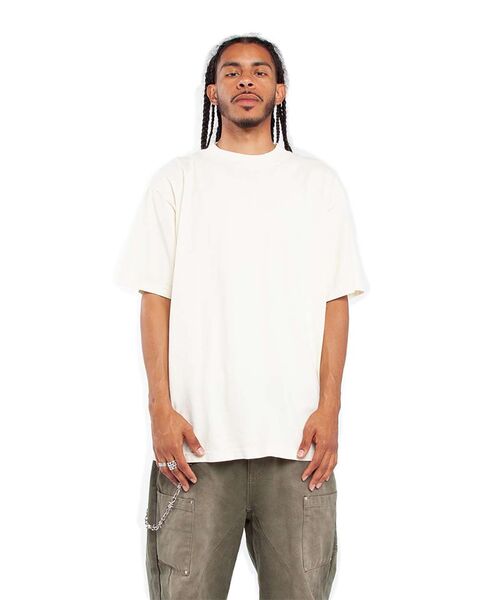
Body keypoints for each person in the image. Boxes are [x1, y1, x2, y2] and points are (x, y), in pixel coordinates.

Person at [114, 33, 369, 600]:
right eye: (231, 72)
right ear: (212, 92)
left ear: (280, 91)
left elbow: (335, 301)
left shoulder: (318, 184)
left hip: (297, 446)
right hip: (196, 445)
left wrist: (330, 407)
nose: (246, 80)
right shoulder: (178, 181)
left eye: (259, 71)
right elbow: (155, 300)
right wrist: (159, 408)